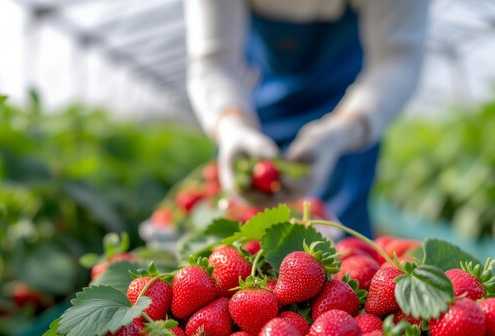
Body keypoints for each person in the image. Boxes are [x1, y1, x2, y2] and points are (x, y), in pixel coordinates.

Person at [184, 0, 430, 238]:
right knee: (241, 235)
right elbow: (212, 61)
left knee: (344, 242)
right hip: (256, 109)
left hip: (347, 117)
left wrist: (341, 131)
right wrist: (232, 126)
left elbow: (398, 57)